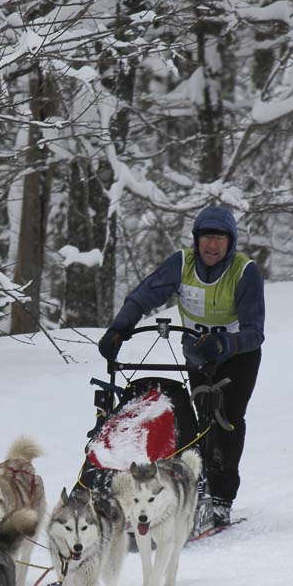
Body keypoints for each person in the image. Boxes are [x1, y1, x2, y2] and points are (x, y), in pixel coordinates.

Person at [98, 206, 265, 527]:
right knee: (197, 423)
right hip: (198, 355)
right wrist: (119, 328)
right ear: (196, 240)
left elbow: (255, 331)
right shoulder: (181, 264)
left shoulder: (246, 272)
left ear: (230, 242)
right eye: (206, 238)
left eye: (219, 239)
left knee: (226, 420)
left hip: (238, 357)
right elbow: (143, 296)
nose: (212, 246)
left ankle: (221, 497)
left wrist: (225, 343)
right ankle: (192, 490)